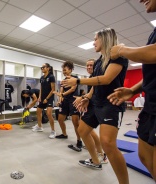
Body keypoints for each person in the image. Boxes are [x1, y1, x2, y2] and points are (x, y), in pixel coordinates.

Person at [62, 28, 129, 184]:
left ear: (105, 39)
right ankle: (95, 161)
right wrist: (87, 97)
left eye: (95, 39)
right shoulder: (100, 60)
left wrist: (78, 81)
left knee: (108, 144)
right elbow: (95, 84)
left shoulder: (118, 56)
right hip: (96, 103)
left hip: (111, 104)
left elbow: (105, 79)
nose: (93, 42)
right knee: (83, 130)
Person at [107, 0, 156, 181]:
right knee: (144, 156)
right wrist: (132, 90)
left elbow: (153, 53)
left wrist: (122, 49)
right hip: (151, 104)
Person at [73, 59, 108, 163]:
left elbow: (95, 93)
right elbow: (91, 93)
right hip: (92, 106)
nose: (88, 67)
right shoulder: (91, 78)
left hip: (96, 107)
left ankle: (97, 159)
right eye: (87, 65)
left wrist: (83, 97)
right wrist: (85, 98)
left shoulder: (97, 77)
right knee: (88, 131)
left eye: (91, 65)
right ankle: (101, 154)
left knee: (84, 130)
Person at [53, 61, 82, 148]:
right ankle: (64, 134)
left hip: (73, 100)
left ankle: (79, 140)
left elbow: (73, 89)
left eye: (65, 70)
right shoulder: (63, 80)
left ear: (70, 70)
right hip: (65, 101)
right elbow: (61, 91)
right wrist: (59, 99)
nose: (64, 72)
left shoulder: (75, 78)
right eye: (63, 70)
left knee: (75, 122)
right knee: (60, 119)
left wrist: (62, 95)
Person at [32, 63, 56, 139]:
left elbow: (53, 89)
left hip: (50, 98)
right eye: (41, 67)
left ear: (48, 68)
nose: (42, 68)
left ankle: (53, 131)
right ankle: (39, 126)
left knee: (48, 113)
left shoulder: (51, 77)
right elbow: (41, 88)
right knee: (38, 111)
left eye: (44, 67)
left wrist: (47, 99)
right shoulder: (42, 78)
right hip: (42, 97)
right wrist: (39, 97)